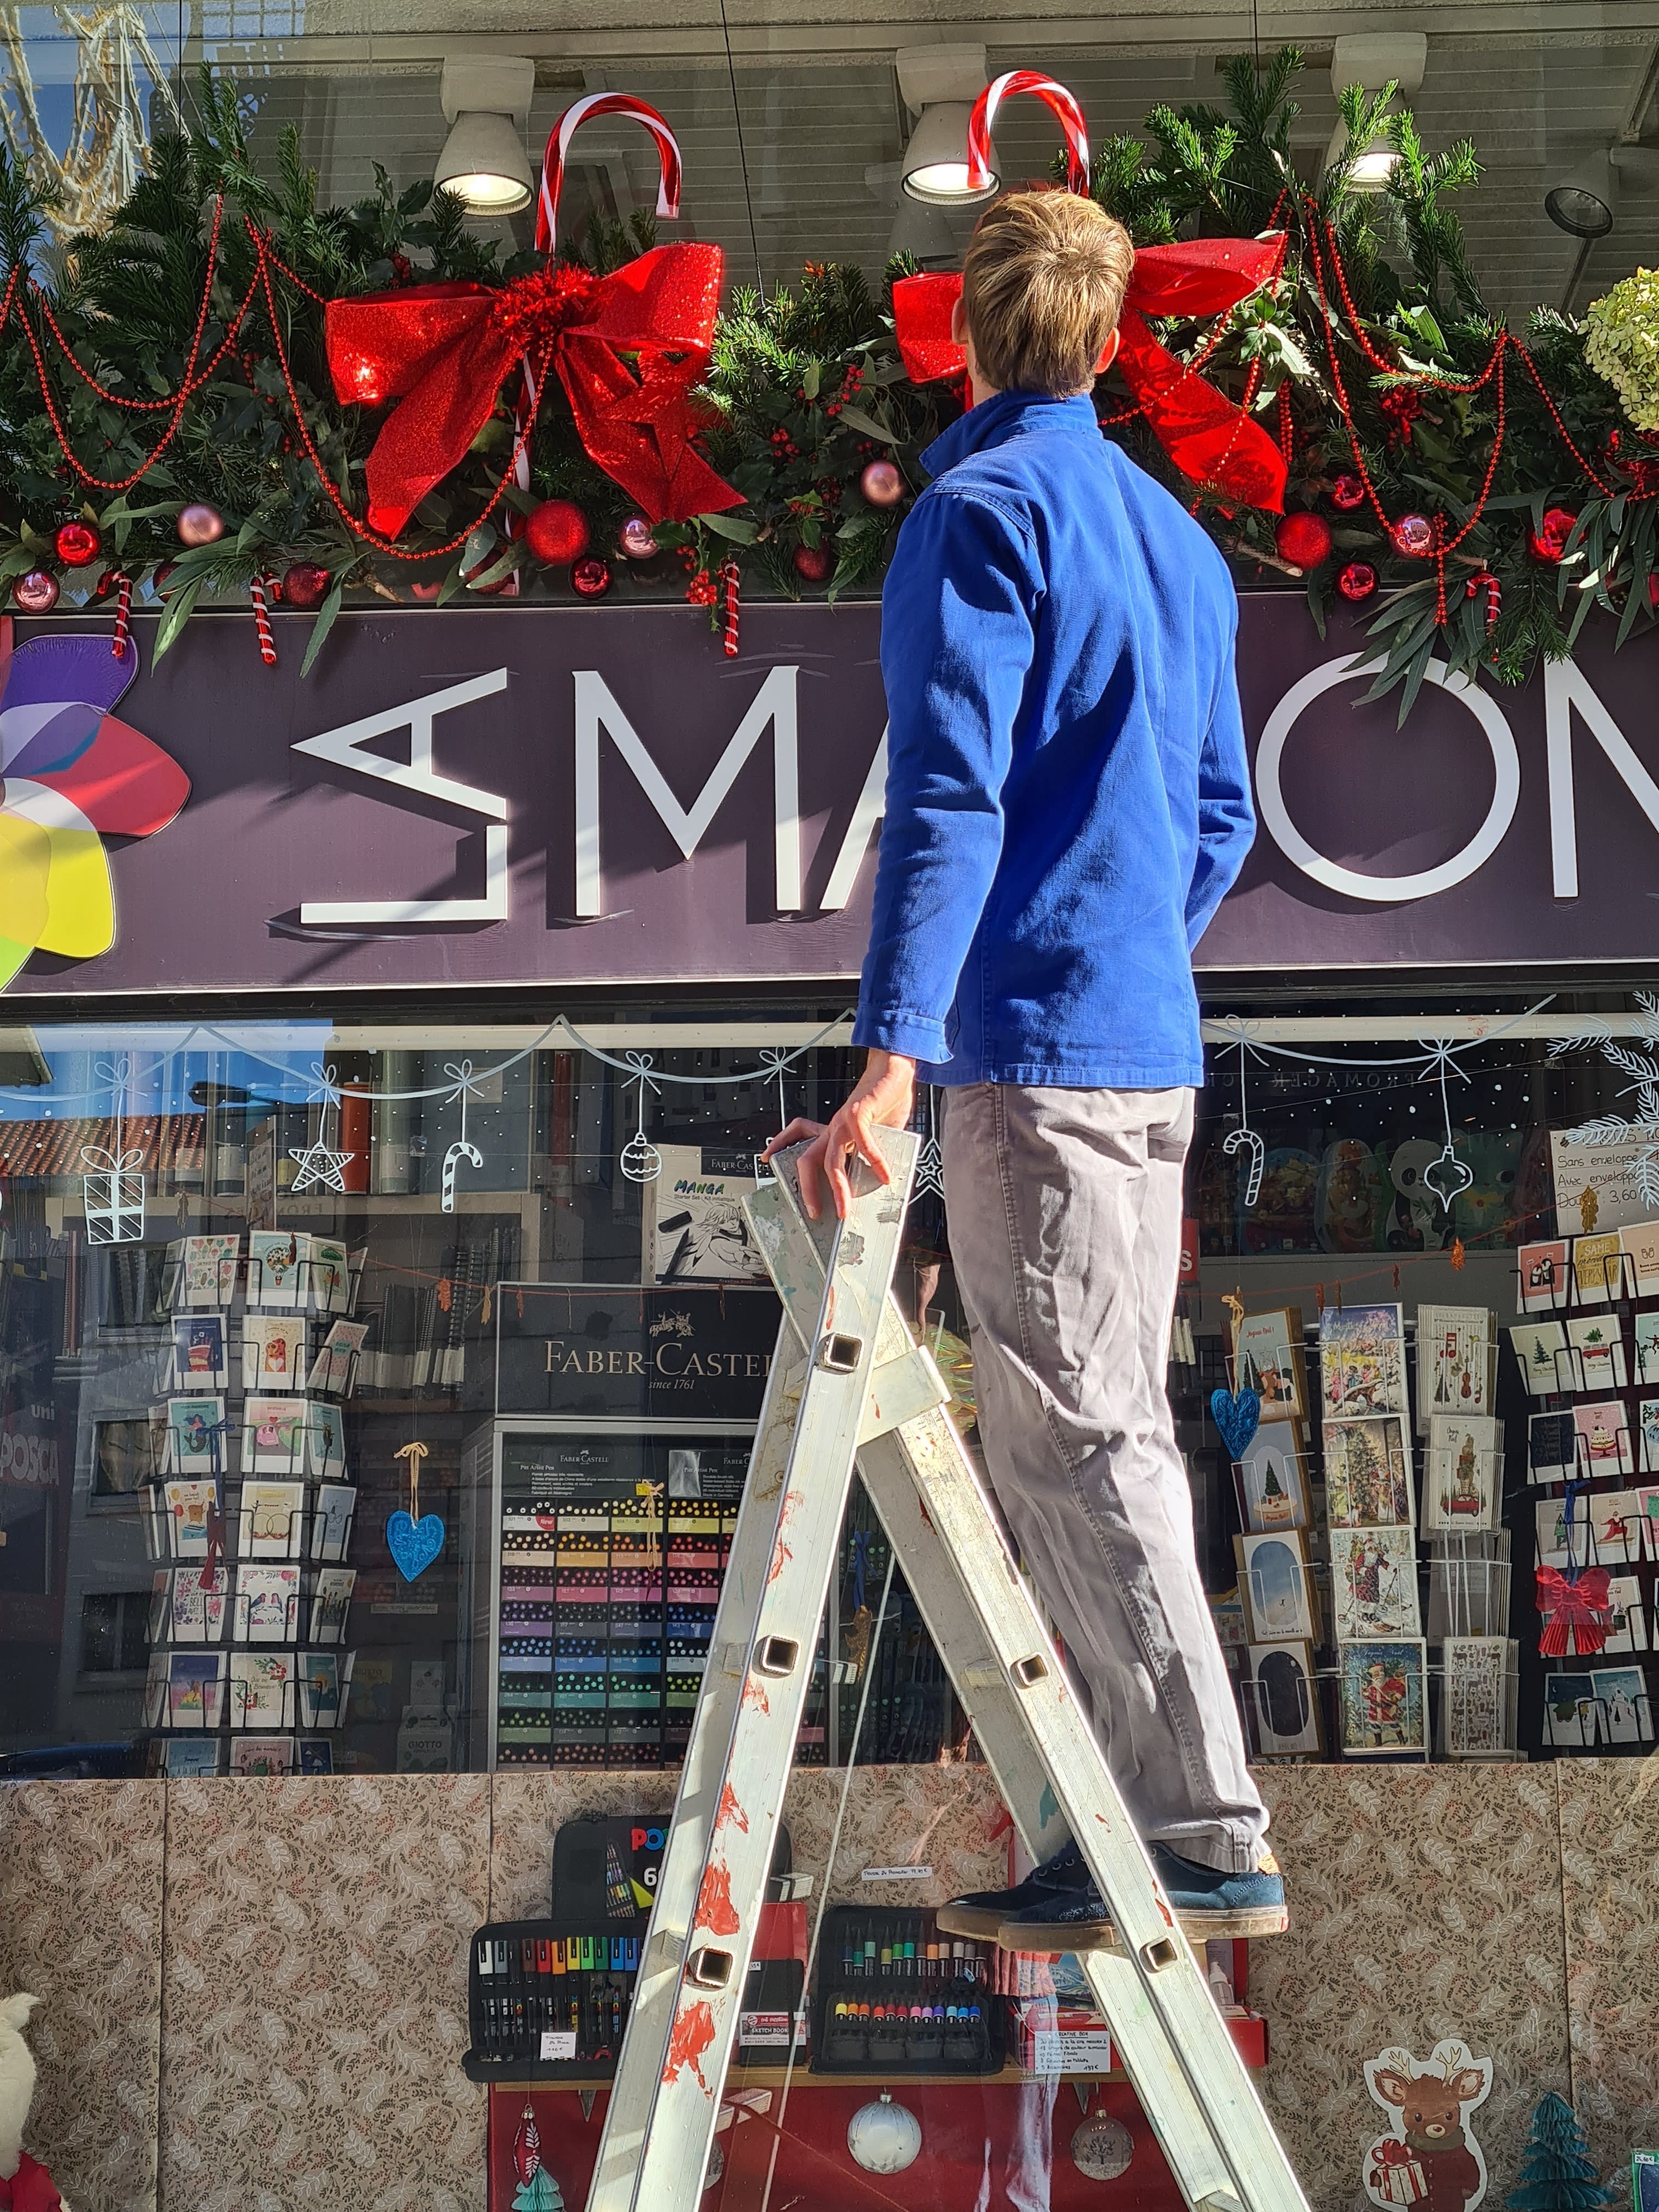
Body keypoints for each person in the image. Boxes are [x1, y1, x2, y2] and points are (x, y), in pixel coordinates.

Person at [763, 189, 1283, 1946]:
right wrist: (1119, 936)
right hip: (1140, 1055)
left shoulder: (977, 510)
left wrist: (892, 1062)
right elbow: (1222, 816)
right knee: (1093, 1435)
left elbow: (949, 803)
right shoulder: (1179, 540)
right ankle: (1134, 1826)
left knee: (1079, 1448)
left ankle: (1201, 1834)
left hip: (1030, 1061)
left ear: (967, 335)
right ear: (1118, 337)